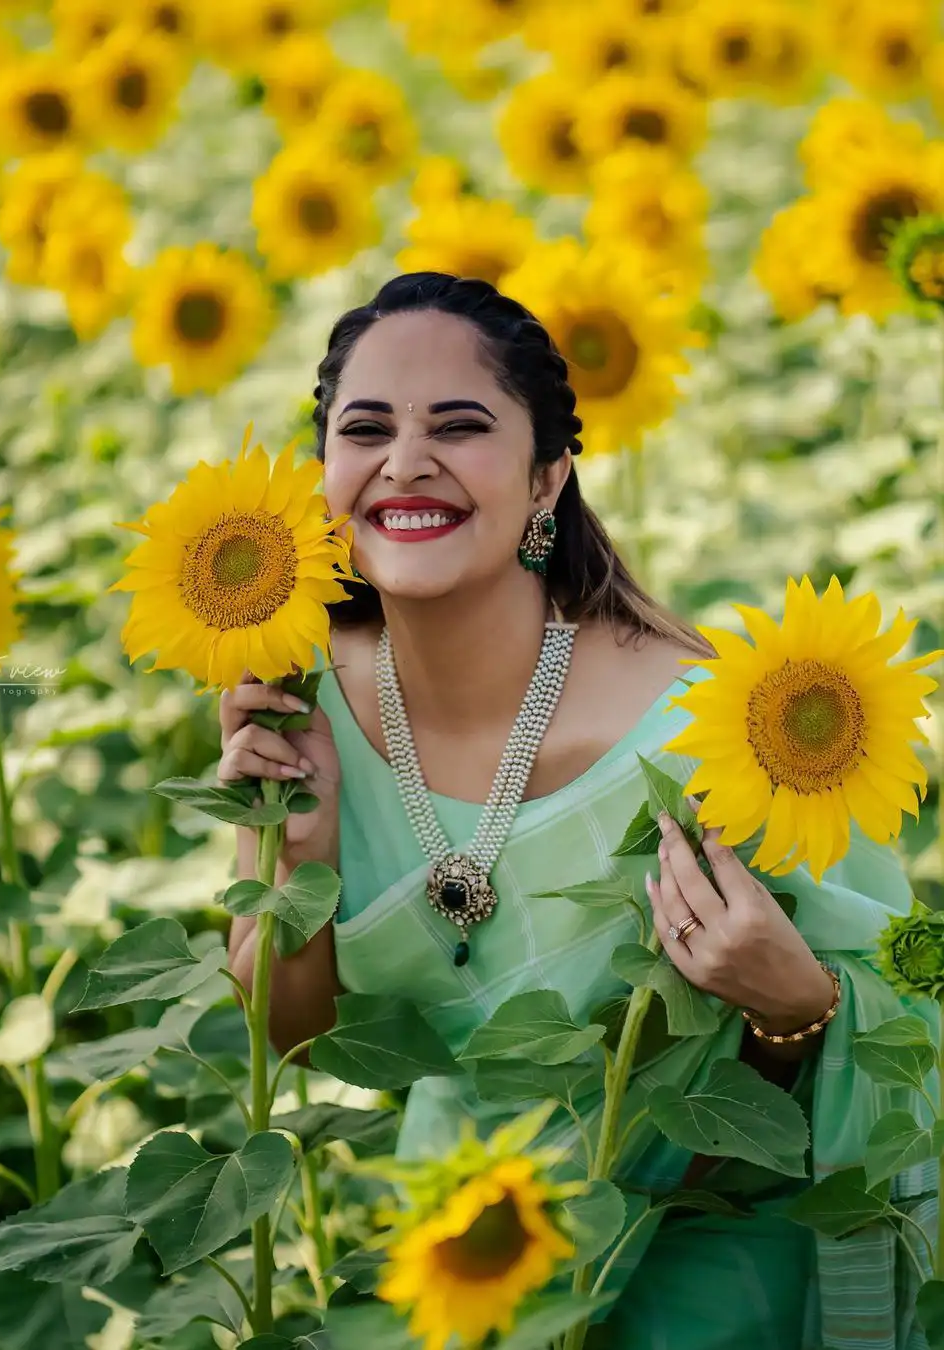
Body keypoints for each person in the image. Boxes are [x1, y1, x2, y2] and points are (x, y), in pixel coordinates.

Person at [222, 273, 934, 1348]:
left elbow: (904, 1010)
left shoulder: (723, 728)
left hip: (716, 1252)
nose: (404, 462)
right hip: (464, 1242)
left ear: (548, 477)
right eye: (364, 430)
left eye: (458, 428)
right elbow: (290, 1040)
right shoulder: (296, 692)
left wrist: (796, 1011)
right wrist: (296, 856)